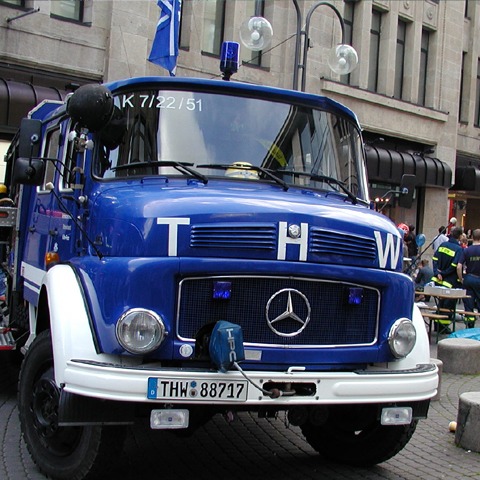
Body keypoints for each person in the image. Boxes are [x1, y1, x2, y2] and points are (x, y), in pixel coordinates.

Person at [432, 226, 464, 316]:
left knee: (440, 304)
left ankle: (437, 322)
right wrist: (443, 273)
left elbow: (435, 259)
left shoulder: (443, 245)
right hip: (450, 283)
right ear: (460, 236)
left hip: (438, 281)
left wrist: (437, 273)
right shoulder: (459, 249)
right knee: (448, 308)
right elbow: (454, 266)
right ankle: (444, 323)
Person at [456, 228, 480, 328]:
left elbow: (459, 266)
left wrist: (461, 278)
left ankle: (470, 326)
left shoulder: (466, 250)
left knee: (468, 305)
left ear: (472, 237)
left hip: (469, 278)